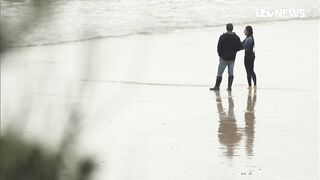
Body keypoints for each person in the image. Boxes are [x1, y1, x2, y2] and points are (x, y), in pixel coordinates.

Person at [210, 23, 242, 91]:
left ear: (226, 28)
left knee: (220, 73)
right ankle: (229, 87)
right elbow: (239, 47)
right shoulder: (236, 37)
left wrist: (220, 55)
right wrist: (234, 52)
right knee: (231, 72)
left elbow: (219, 47)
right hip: (232, 58)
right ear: (232, 28)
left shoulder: (222, 36)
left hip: (223, 58)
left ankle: (217, 86)